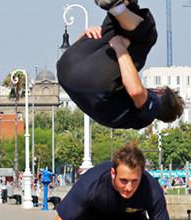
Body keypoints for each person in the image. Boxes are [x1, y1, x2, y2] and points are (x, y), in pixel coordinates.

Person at [57, 1, 184, 130]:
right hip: (65, 68)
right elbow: (79, 69)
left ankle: (118, 7)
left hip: (93, 83)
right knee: (120, 26)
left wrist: (120, 49)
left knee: (147, 36)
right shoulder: (129, 117)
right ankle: (119, 5)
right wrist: (86, 37)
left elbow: (136, 91)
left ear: (160, 91)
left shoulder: (153, 106)